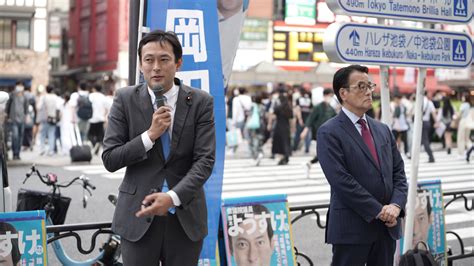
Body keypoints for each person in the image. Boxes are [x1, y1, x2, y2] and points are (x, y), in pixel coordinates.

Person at [102, 30, 215, 265]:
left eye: (164, 59)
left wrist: (172, 197)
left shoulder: (201, 102)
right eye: (149, 59)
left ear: (178, 63)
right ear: (141, 64)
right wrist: (150, 135)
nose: (156, 67)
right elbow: (110, 158)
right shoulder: (125, 99)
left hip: (185, 217)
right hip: (137, 217)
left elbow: (205, 161)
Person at [317, 65, 408, 266]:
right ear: (343, 93)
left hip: (386, 228)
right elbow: (341, 181)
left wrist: (395, 206)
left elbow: (398, 173)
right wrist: (379, 210)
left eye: (370, 85)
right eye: (361, 86)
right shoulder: (329, 132)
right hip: (352, 228)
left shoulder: (382, 129)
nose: (369, 91)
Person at [300, 88, 337, 178]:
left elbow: (336, 119)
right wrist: (305, 130)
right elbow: (310, 119)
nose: (331, 98)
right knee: (326, 152)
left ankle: (309, 163)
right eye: (330, 96)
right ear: (325, 96)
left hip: (329, 134)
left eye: (332, 96)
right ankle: (310, 163)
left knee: (326, 152)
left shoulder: (331, 108)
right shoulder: (318, 107)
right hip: (320, 133)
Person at [5, 82, 28, 160]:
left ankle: (18, 154)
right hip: (13, 119)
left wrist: (26, 116)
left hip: (22, 119)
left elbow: (26, 108)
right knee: (15, 137)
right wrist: (7, 115)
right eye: (19, 85)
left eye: (21, 86)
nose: (20, 87)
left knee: (20, 137)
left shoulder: (25, 96)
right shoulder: (12, 95)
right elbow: (8, 105)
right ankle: (14, 153)